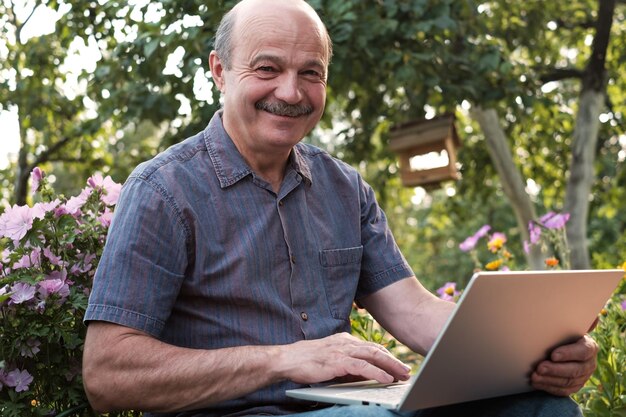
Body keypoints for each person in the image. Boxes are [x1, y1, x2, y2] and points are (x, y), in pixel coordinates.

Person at [82, 1, 598, 416]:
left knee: (541, 407)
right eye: (267, 68)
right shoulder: (162, 190)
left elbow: (415, 312)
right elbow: (107, 377)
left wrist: (537, 351)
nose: (291, 91)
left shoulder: (343, 188)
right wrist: (284, 361)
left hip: (359, 406)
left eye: (312, 73)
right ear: (219, 71)